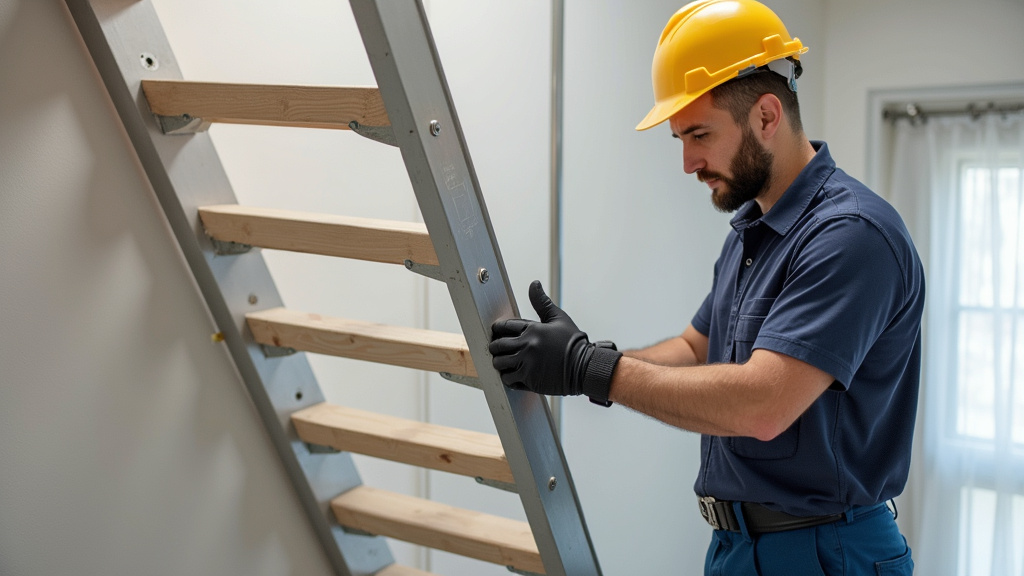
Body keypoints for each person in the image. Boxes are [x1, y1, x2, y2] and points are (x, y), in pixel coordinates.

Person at [487, 1, 925, 574]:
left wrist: (592, 369)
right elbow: (697, 349)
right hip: (737, 546)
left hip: (826, 552)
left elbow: (764, 403)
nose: (688, 161)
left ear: (767, 116)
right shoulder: (753, 230)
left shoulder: (851, 236)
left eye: (699, 133)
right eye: (679, 138)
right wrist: (584, 360)